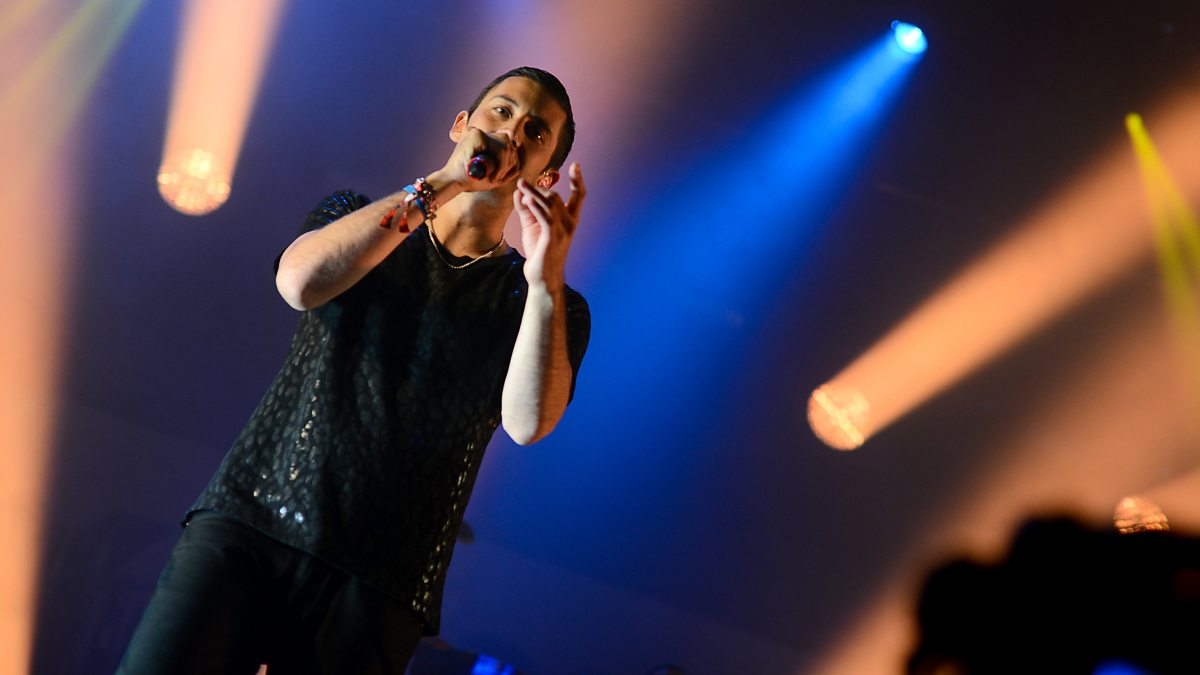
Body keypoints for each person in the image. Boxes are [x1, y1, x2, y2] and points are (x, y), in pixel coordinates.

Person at [117, 66, 590, 674]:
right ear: (461, 125)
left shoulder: (546, 303)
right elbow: (298, 283)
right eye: (501, 111)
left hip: (382, 580)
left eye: (535, 132)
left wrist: (545, 280)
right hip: (254, 517)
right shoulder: (355, 215)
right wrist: (444, 183)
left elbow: (528, 423)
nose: (511, 133)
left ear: (546, 176)